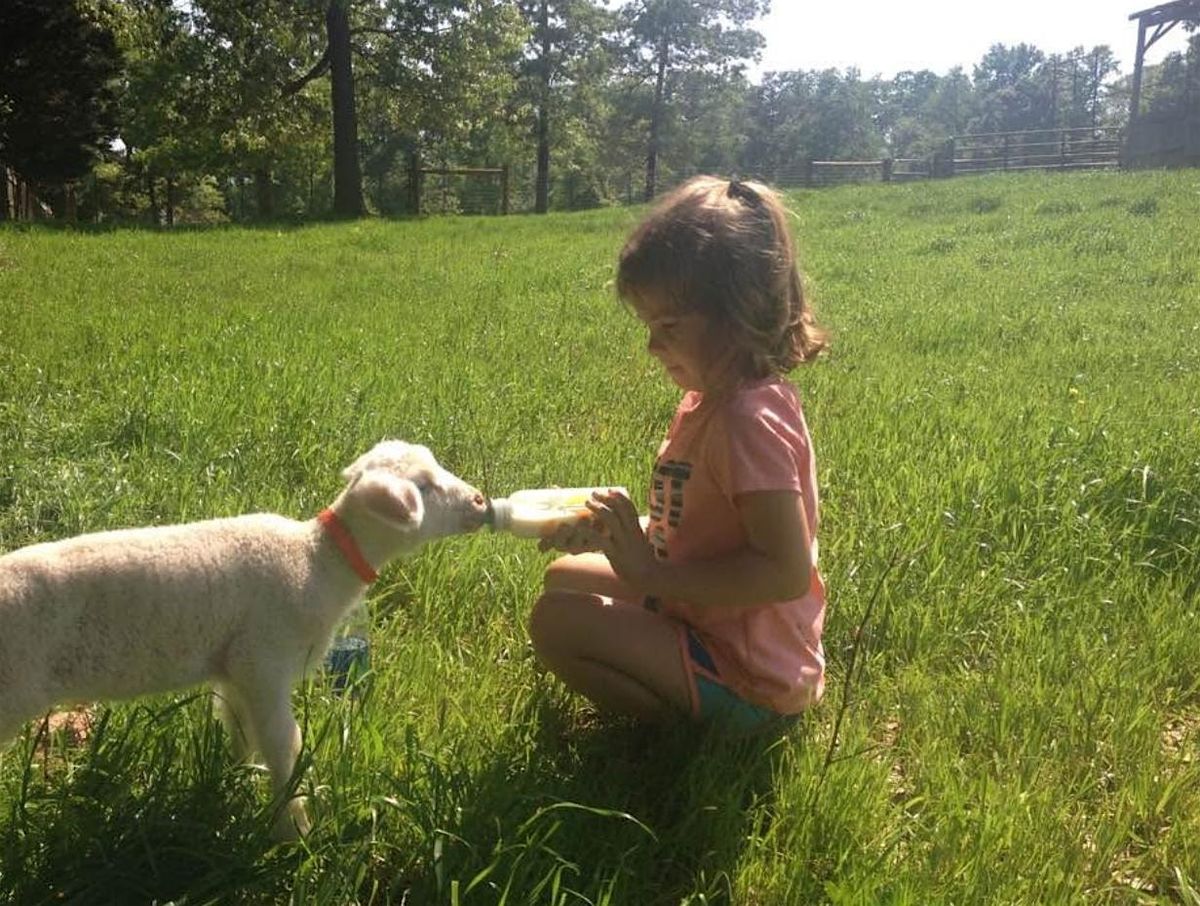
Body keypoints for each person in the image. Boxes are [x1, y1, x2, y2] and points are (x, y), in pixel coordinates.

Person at [528, 175, 829, 731]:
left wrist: (649, 576)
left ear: (737, 315)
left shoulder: (746, 423)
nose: (651, 345)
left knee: (557, 622)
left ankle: (691, 736)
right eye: (648, 325)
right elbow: (696, 527)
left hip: (751, 671)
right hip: (706, 614)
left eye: (668, 325)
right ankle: (678, 679)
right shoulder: (713, 401)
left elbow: (785, 572)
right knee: (564, 577)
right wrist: (616, 534)